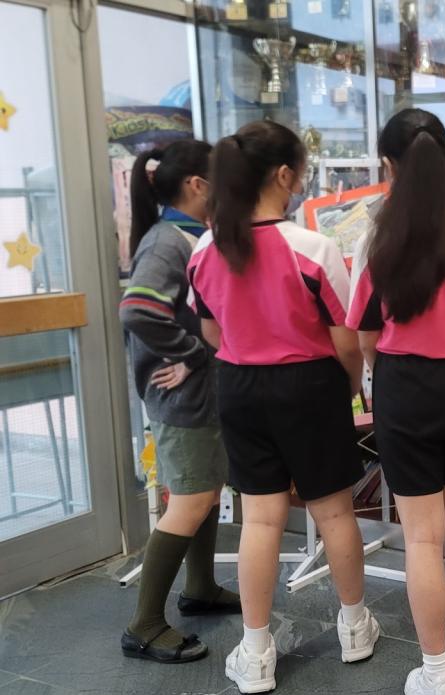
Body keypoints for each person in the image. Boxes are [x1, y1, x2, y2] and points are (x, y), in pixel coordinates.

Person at [189, 120, 380, 695]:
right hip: (311, 386)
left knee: (260, 519)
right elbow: (346, 340)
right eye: (301, 172)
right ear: (283, 176)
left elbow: (210, 332)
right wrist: (348, 386)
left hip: (240, 387)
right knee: (335, 513)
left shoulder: (205, 248)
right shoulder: (313, 248)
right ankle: (355, 628)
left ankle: (255, 653)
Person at [347, 108, 445, 695]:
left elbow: (364, 335)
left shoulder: (376, 240)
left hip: (405, 385)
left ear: (388, 165)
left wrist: (379, 375)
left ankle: (436, 675)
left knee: (421, 536)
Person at [119, 139, 241, 664]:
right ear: (197, 185)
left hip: (199, 394)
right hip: (182, 399)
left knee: (206, 492)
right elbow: (137, 311)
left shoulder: (188, 236)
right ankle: (144, 624)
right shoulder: (167, 242)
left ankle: (200, 588)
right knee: (190, 499)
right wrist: (193, 352)